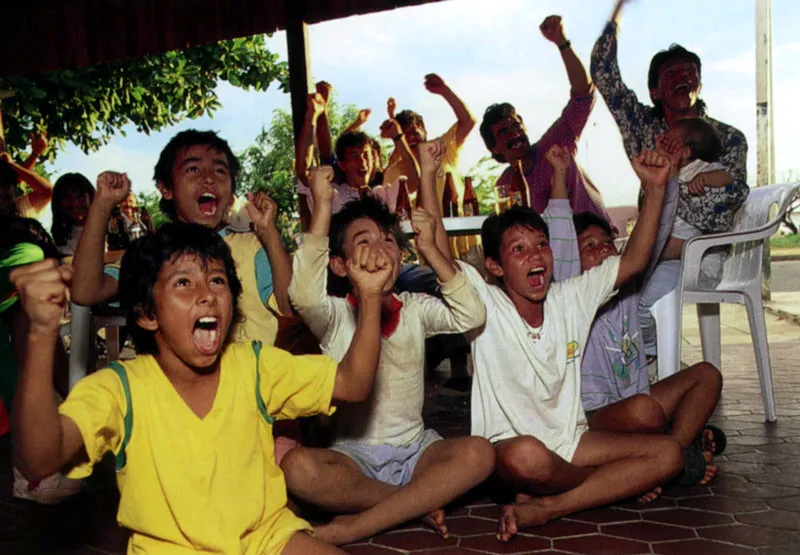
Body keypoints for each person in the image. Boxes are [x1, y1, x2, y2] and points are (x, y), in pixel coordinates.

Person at [11, 222, 389, 554]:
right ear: (146, 314)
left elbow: (351, 384)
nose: (206, 294)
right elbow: (39, 459)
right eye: (183, 283)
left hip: (264, 539)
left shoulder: (253, 366)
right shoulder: (119, 389)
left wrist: (370, 297)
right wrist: (41, 334)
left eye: (217, 281)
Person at [421, 140, 683, 540]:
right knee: (527, 455)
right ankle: (609, 483)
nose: (535, 256)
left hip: (572, 441)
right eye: (519, 250)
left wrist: (657, 187)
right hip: (512, 452)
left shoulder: (570, 297)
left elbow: (634, 260)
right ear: (494, 266)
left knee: (669, 453)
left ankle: (552, 505)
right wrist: (428, 175)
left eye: (541, 245)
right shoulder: (484, 303)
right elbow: (437, 249)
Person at [283, 164, 493, 546]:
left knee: (480, 454)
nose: (380, 248)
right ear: (340, 265)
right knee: (297, 469)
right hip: (354, 460)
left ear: (400, 258)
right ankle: (411, 504)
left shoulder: (413, 308)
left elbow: (471, 314)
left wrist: (430, 250)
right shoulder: (334, 315)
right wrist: (322, 209)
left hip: (416, 451)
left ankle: (357, 524)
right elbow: (301, 294)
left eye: (389, 241)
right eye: (364, 241)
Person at [542, 143, 724, 491]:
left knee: (706, 376)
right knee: (646, 412)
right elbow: (561, 239)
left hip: (634, 406)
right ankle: (673, 459)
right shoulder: (572, 292)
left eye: (605, 242)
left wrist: (663, 184)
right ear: (573, 262)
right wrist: (560, 177)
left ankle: (670, 459)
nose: (602, 250)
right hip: (592, 418)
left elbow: (651, 239)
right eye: (589, 247)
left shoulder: (630, 289)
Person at [72, 130, 292, 347]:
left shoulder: (252, 248)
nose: (208, 179)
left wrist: (269, 233)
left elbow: (289, 306)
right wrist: (102, 205)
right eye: (193, 169)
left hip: (250, 380)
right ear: (166, 188)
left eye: (220, 171)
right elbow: (85, 292)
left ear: (232, 192)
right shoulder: (153, 254)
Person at [590, 0, 748, 236]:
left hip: (701, 250)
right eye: (672, 73)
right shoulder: (642, 125)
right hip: (651, 243)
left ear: (700, 85)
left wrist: (665, 184)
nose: (682, 78)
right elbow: (602, 70)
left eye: (689, 71)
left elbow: (727, 202)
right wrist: (618, 10)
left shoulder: (729, 138)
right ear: (655, 92)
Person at [479, 15, 611, 223]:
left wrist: (562, 42)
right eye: (504, 132)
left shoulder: (554, 143)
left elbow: (583, 94)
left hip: (594, 242)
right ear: (494, 148)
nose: (514, 133)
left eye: (516, 125)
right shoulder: (504, 184)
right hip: (549, 254)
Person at [50, 172, 95, 257]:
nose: (75, 203)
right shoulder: (60, 237)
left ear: (91, 197)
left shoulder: (114, 223)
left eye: (80, 196)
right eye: (67, 197)